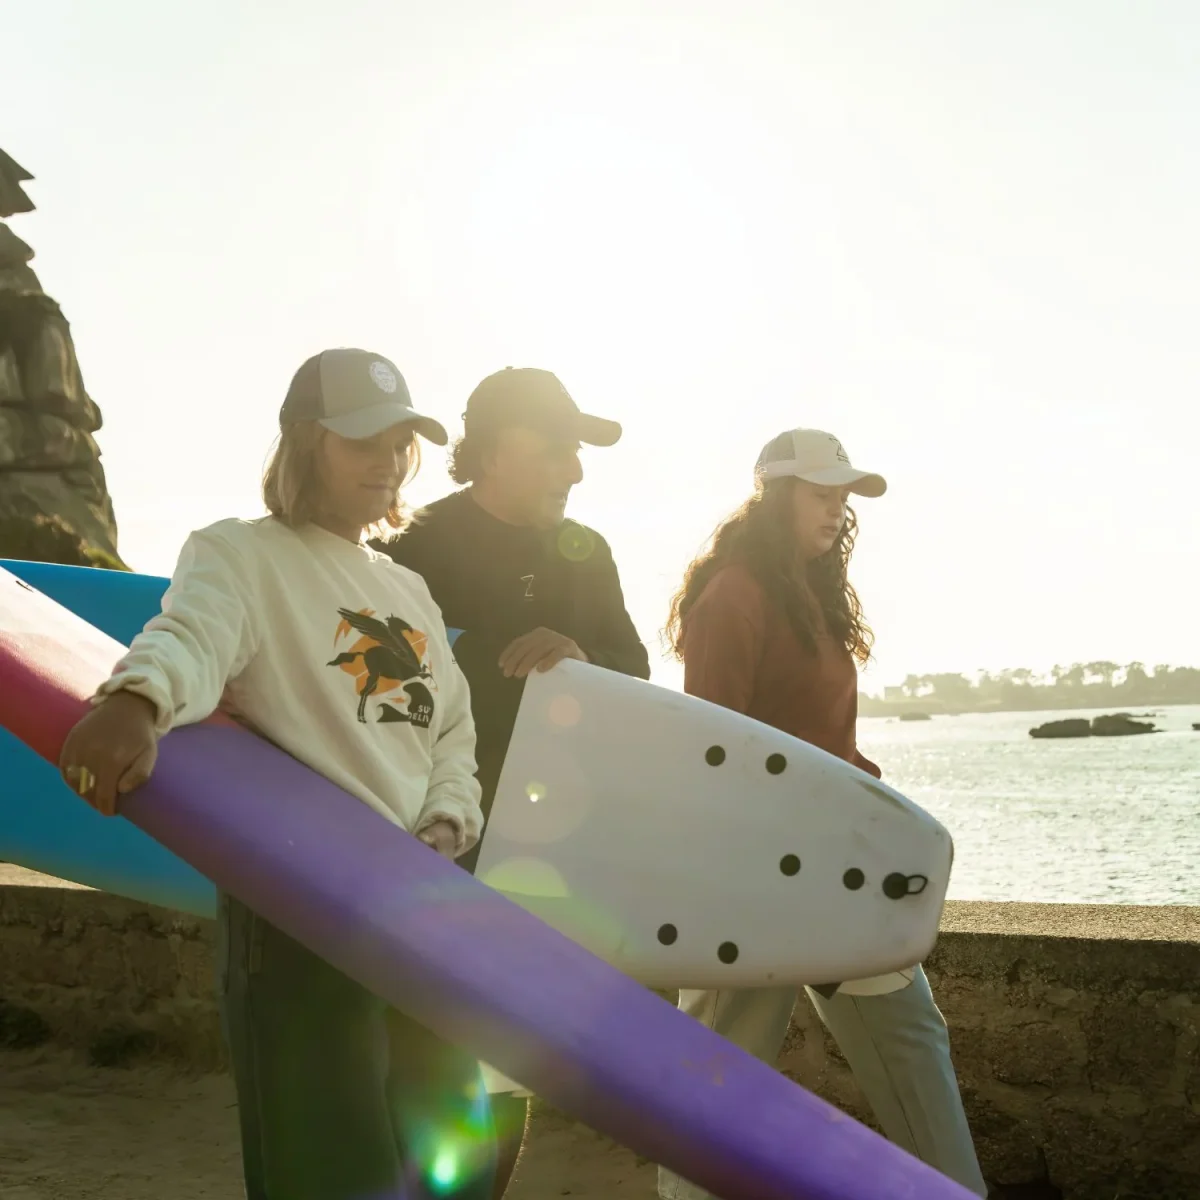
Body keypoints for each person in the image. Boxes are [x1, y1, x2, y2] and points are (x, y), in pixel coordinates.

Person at [57, 348, 496, 1200]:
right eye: (360, 440)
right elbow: (194, 635)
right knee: (331, 1169)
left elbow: (452, 728)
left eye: (400, 442)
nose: (385, 461)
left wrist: (449, 821)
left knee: (452, 1164)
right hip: (304, 901)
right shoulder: (241, 553)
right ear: (304, 443)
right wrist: (136, 702)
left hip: (421, 897)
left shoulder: (407, 585)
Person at [658, 428, 989, 1200]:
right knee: (717, 1074)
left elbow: (824, 742)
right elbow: (710, 749)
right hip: (749, 881)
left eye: (844, 495)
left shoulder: (812, 595)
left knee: (910, 1039)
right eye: (821, 492)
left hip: (840, 867)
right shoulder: (733, 596)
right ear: (775, 495)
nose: (837, 508)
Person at [375, 365, 650, 1195]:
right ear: (492, 450)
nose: (575, 469)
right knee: (426, 1062)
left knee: (505, 1063)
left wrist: (581, 659)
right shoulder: (412, 551)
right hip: (430, 844)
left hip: (542, 847)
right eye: (558, 448)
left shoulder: (585, 552)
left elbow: (636, 679)